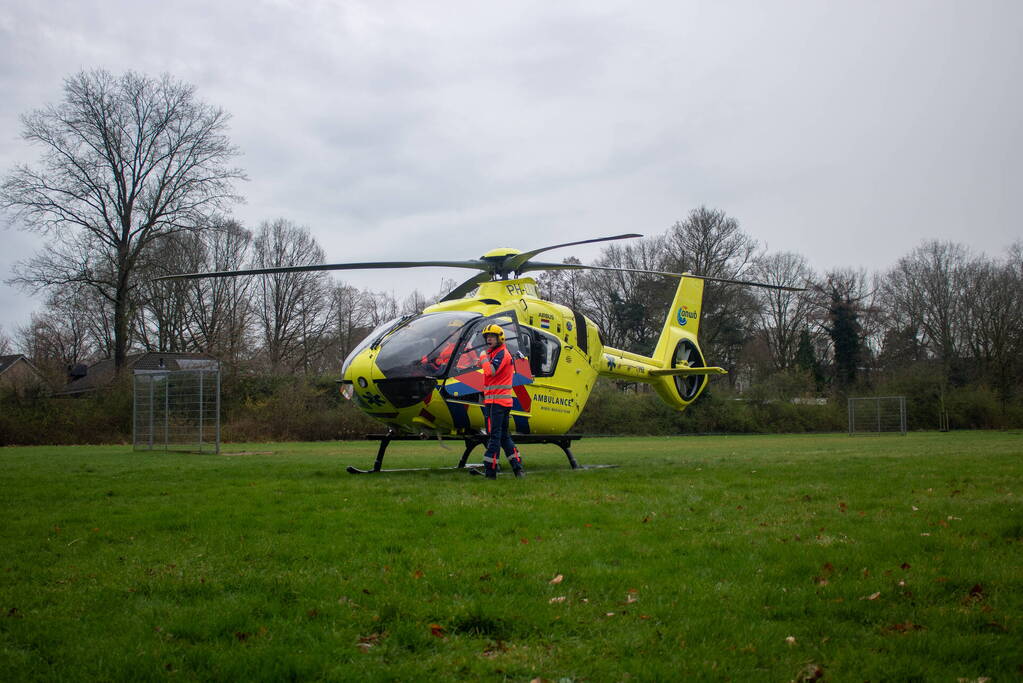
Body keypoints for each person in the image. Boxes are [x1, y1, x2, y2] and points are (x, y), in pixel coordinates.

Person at [478, 324, 525, 479]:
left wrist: (483, 357)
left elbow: (490, 371)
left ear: (500, 338)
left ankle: (490, 472)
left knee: (494, 436)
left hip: (497, 404)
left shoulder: (501, 354)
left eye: (492, 336)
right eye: (487, 337)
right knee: (504, 436)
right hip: (497, 402)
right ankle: (518, 468)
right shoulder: (495, 354)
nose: (488, 339)